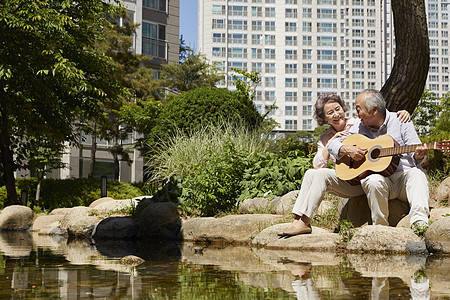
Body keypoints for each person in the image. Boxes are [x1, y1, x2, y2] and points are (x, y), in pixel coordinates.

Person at [278, 92, 413, 237]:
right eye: (330, 113)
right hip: (349, 178)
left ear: (343, 109)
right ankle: (300, 220)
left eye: (338, 109)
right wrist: (336, 144)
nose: (336, 114)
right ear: (324, 119)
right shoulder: (326, 137)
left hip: (367, 178)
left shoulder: (359, 122)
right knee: (311, 173)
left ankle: (302, 221)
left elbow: (380, 121)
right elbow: (317, 164)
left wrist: (401, 114)